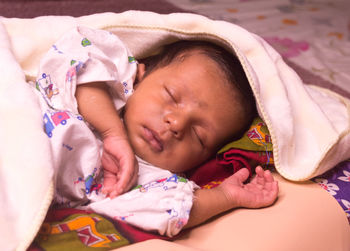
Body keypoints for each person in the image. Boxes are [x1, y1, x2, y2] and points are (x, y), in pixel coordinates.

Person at [34, 26, 278, 236]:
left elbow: (171, 211)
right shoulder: (110, 87)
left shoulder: (151, 180)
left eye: (198, 136)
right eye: (171, 96)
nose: (177, 124)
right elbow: (78, 57)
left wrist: (225, 197)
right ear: (141, 74)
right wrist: (112, 132)